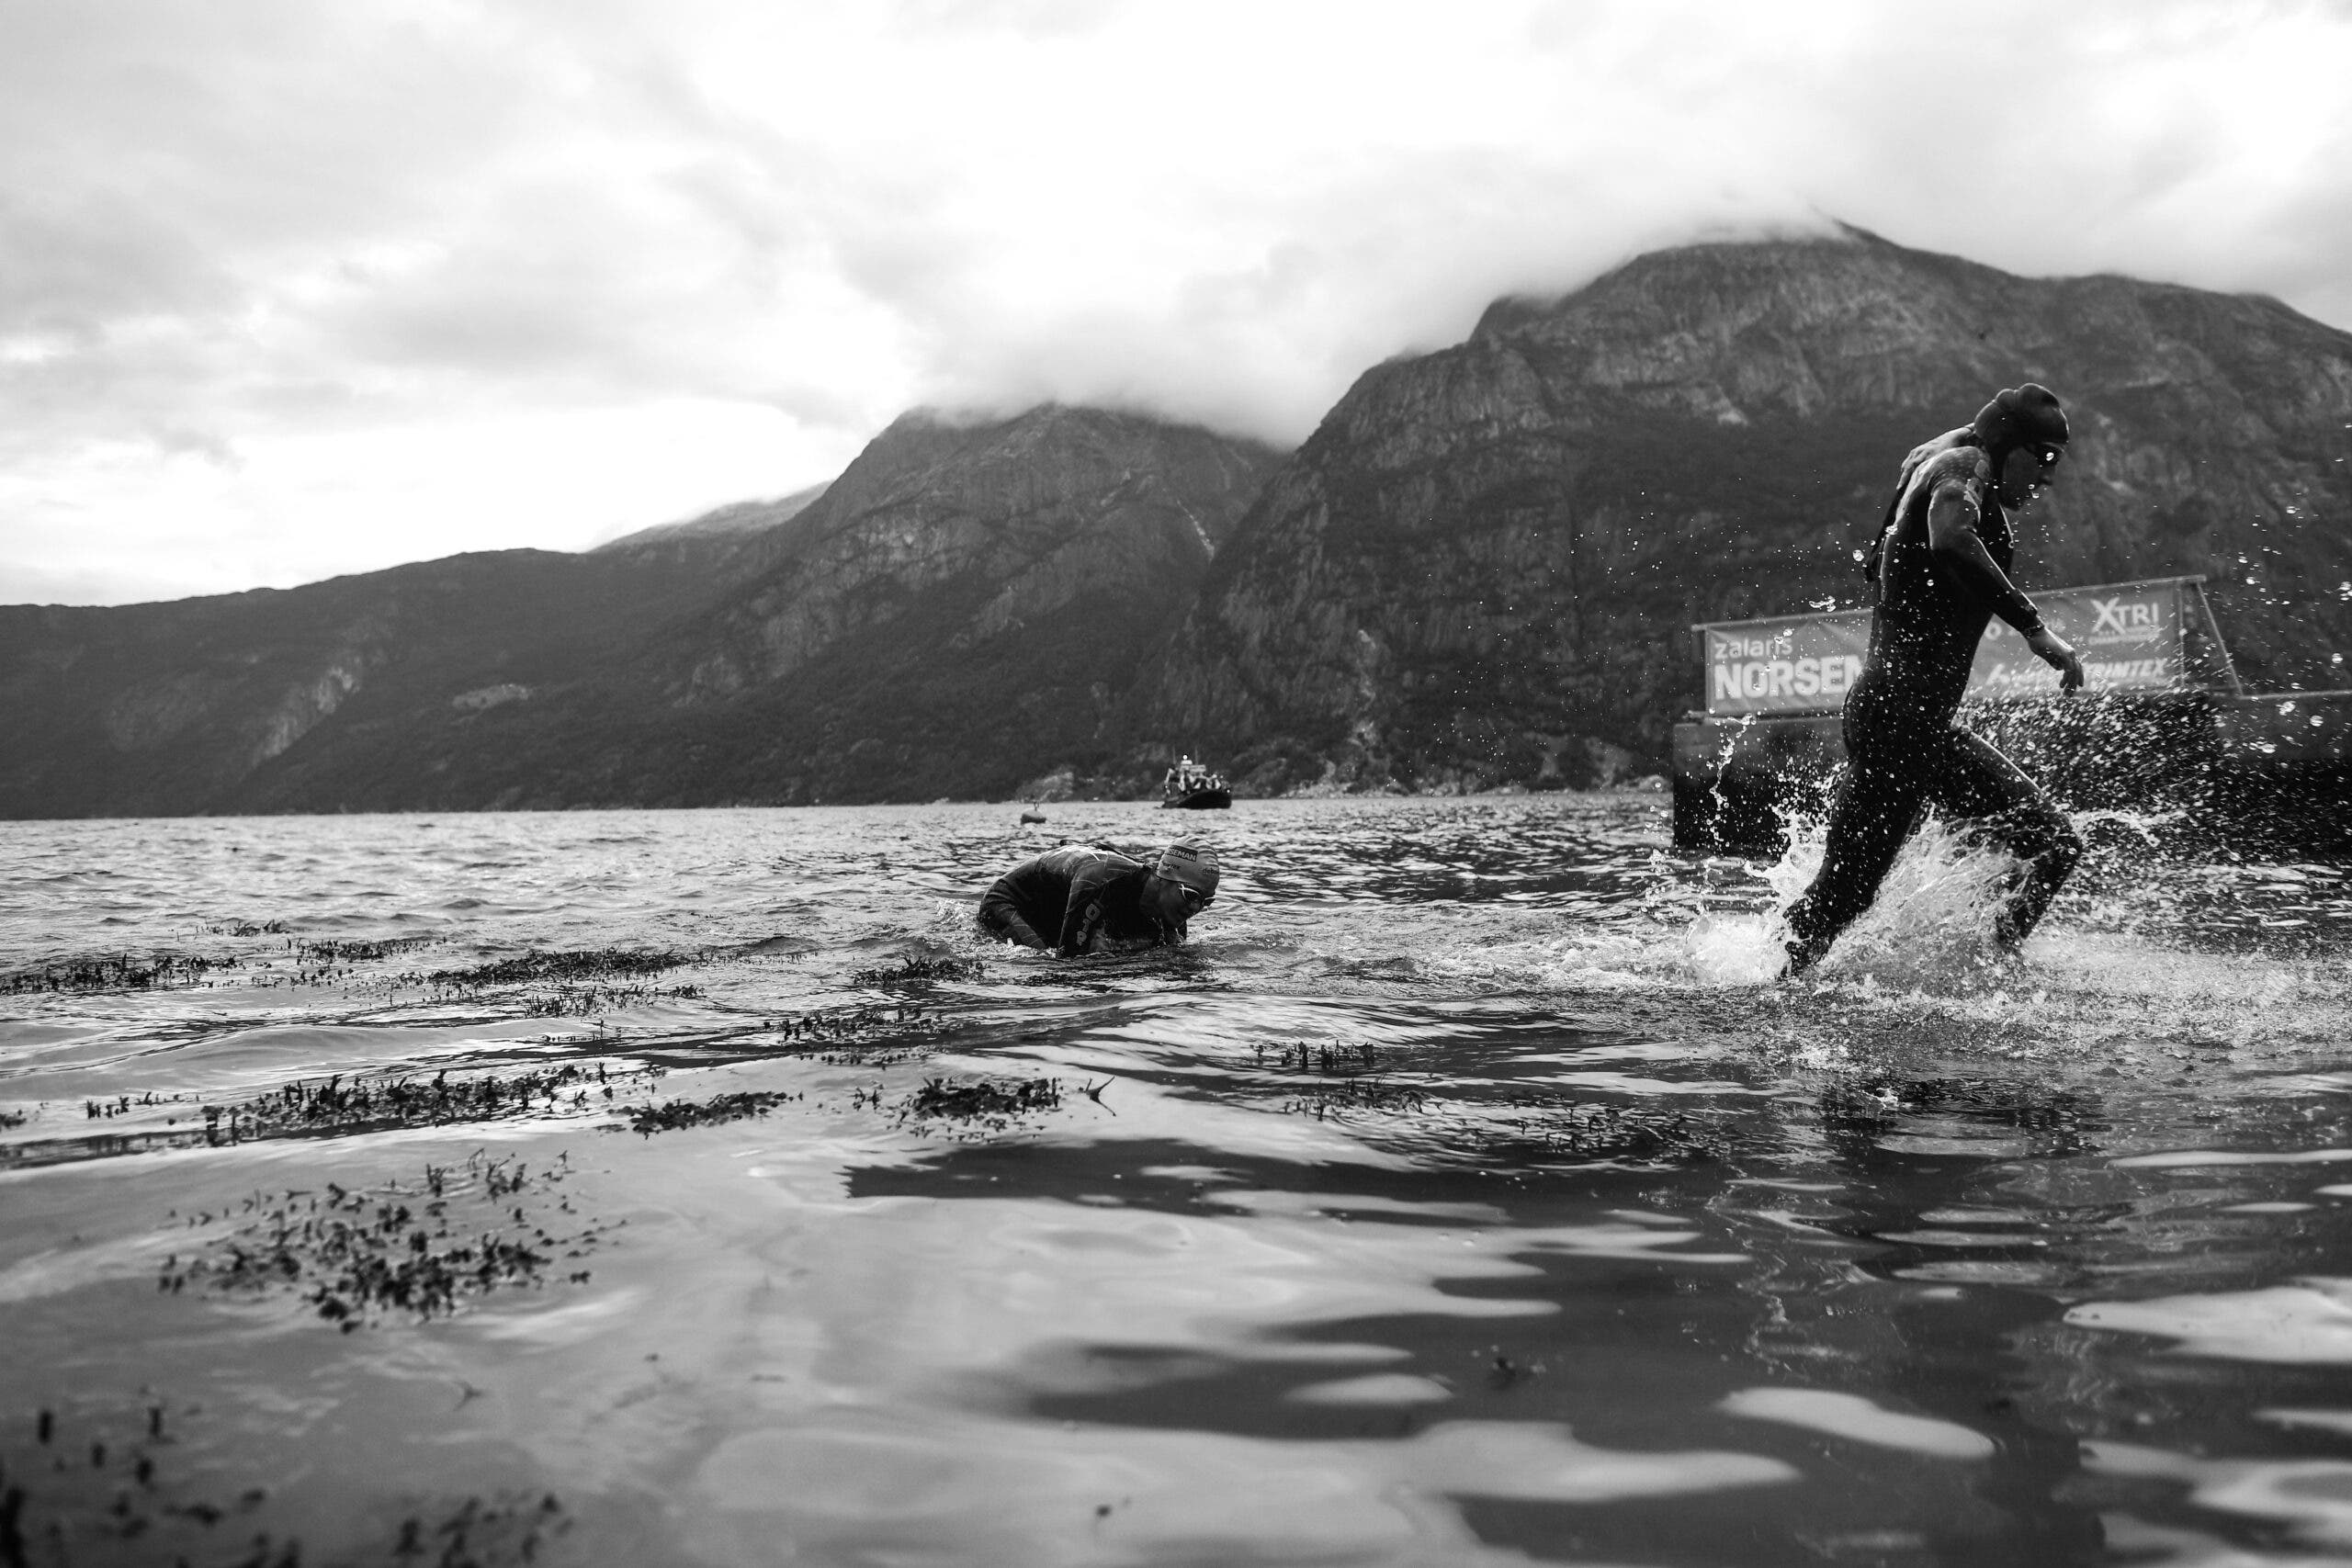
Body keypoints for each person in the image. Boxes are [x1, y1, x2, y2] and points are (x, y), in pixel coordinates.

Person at [1781, 384, 2086, 976]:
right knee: (1843, 899)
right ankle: (1770, 993)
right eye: (2043, 458)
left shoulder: (1943, 459)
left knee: (2052, 848)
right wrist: (2033, 628)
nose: (2047, 478)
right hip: (1899, 723)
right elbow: (1951, 536)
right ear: (2008, 446)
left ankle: (1991, 969)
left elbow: (1912, 495)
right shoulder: (1963, 469)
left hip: (1914, 723)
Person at [978, 840, 1220, 955]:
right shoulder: (1103, 879)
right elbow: (1070, 962)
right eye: (1191, 896)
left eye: (1205, 902)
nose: (1195, 908)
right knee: (1045, 962)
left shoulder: (1173, 910)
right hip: (1007, 902)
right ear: (1164, 877)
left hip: (1057, 907)